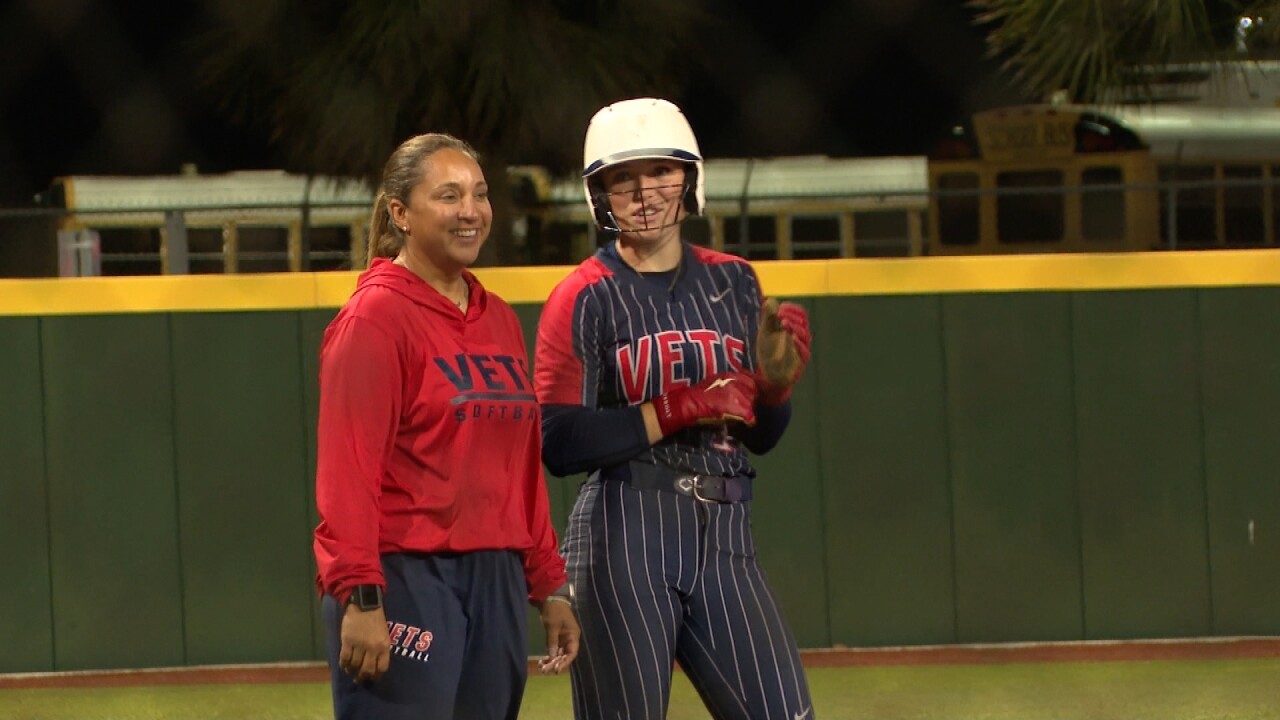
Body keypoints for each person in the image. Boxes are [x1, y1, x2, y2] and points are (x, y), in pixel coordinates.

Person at [534, 98, 816, 719]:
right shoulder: (583, 295)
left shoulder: (737, 281)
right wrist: (678, 406)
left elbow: (762, 437)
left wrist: (774, 391)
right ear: (598, 194)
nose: (644, 192)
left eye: (661, 170)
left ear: (690, 177)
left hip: (726, 527)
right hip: (626, 527)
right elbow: (557, 441)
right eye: (622, 178)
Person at [313, 132, 579, 720]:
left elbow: (518, 472)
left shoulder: (500, 319)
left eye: (480, 195)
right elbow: (348, 472)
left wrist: (548, 583)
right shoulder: (375, 318)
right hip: (406, 575)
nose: (470, 211)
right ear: (401, 214)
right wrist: (360, 595)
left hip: (496, 579)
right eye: (449, 195)